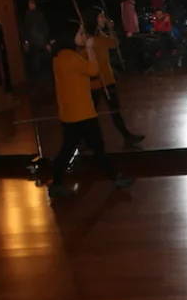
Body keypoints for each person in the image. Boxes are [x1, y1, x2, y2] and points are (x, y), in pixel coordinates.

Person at [48, 21, 134, 199]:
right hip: (82, 113)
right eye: (80, 33)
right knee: (97, 147)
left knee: (68, 149)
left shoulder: (59, 56)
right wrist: (90, 50)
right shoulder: (71, 57)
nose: (83, 36)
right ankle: (115, 177)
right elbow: (94, 70)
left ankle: (56, 183)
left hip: (69, 113)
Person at [83, 6, 144, 148]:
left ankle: (126, 136)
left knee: (115, 110)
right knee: (91, 113)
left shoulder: (100, 35)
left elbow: (113, 43)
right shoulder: (87, 38)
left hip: (108, 79)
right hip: (94, 81)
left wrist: (111, 30)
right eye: (101, 17)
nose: (104, 20)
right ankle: (85, 140)